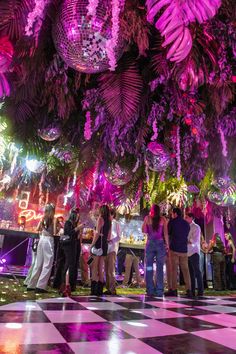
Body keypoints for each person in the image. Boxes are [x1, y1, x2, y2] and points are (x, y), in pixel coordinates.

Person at [27, 203, 57, 293]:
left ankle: (31, 285)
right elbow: (55, 232)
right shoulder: (54, 219)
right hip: (48, 240)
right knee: (47, 263)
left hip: (41, 239)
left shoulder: (42, 218)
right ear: (52, 211)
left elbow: (38, 229)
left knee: (38, 263)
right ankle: (41, 286)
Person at [142, 204, 169, 296]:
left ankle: (150, 289)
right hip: (160, 244)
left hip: (150, 243)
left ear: (152, 210)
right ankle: (159, 290)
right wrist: (167, 245)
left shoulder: (147, 218)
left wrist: (146, 223)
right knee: (160, 267)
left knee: (149, 267)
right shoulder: (163, 219)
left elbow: (144, 231)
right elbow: (165, 234)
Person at [165, 207, 192, 297]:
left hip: (174, 249)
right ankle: (189, 290)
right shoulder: (186, 224)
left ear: (175, 214)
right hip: (184, 250)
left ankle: (174, 289)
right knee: (185, 270)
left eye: (172, 213)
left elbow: (168, 234)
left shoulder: (172, 222)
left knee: (174, 270)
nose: (172, 215)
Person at [60, 208, 83, 295]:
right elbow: (69, 233)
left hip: (73, 246)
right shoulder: (68, 223)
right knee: (68, 265)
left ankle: (69, 284)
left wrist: (80, 231)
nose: (78, 218)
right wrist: (78, 228)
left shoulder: (74, 224)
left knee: (72, 265)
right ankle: (64, 285)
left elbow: (76, 237)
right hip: (68, 246)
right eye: (77, 216)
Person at [90, 205, 111, 296]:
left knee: (94, 267)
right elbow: (109, 236)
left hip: (98, 244)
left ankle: (94, 290)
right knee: (101, 268)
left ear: (101, 211)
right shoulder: (109, 221)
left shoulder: (100, 219)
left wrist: (92, 244)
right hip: (105, 244)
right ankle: (99, 290)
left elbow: (97, 233)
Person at [186, 213, 204, 297]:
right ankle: (191, 291)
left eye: (187, 217)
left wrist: (185, 240)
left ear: (191, 218)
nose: (185, 218)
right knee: (190, 273)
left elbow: (194, 240)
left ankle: (200, 291)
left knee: (197, 271)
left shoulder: (196, 227)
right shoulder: (186, 227)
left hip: (194, 252)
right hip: (187, 252)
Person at [104, 208, 121, 295]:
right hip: (105, 249)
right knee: (106, 270)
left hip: (112, 249)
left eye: (110, 214)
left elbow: (118, 236)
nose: (108, 216)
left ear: (113, 215)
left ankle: (112, 288)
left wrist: (111, 241)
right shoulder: (105, 223)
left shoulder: (116, 223)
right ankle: (108, 288)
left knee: (111, 270)